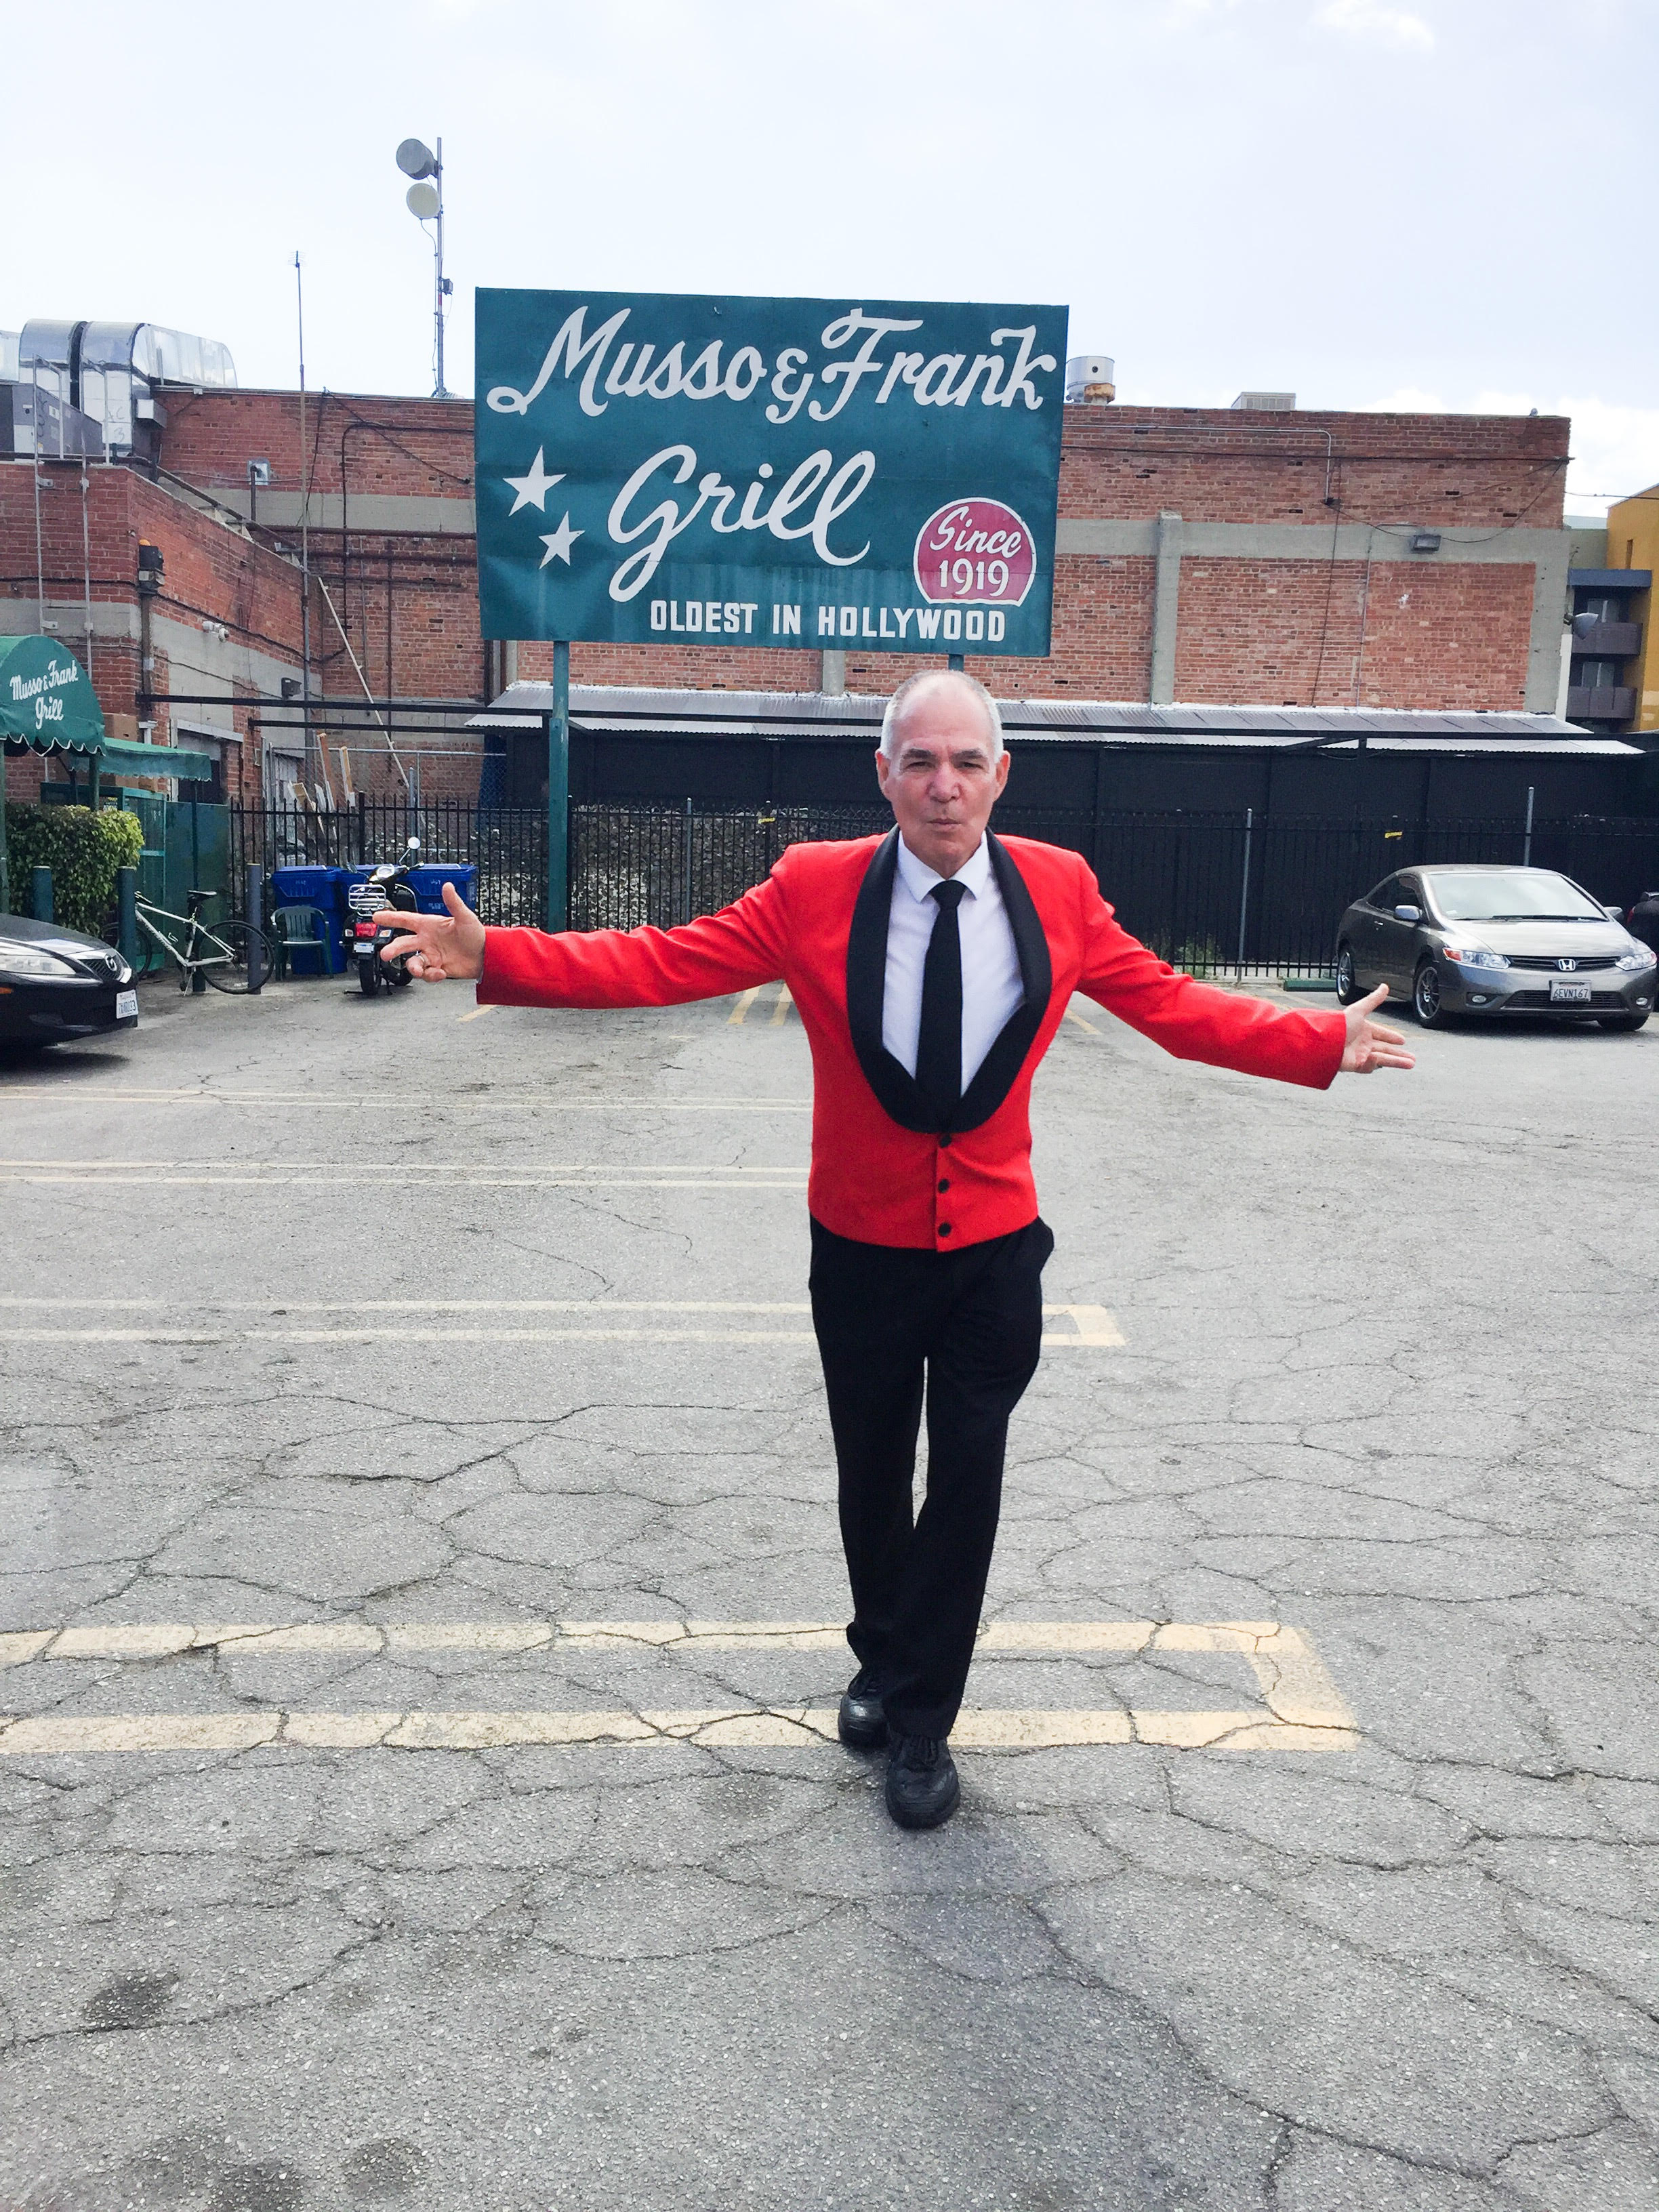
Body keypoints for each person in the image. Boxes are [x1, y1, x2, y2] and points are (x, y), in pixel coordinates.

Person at [382, 670, 1413, 1830]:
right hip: (862, 1250)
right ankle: (880, 1653)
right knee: (872, 1477)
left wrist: (1312, 1041)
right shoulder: (811, 887)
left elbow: (1170, 1006)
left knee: (966, 1481)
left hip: (995, 1254)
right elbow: (663, 960)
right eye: (920, 761)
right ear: (884, 775)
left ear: (1000, 776)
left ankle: (923, 1720)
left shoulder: (1060, 889)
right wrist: (501, 955)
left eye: (966, 762)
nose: (943, 785)